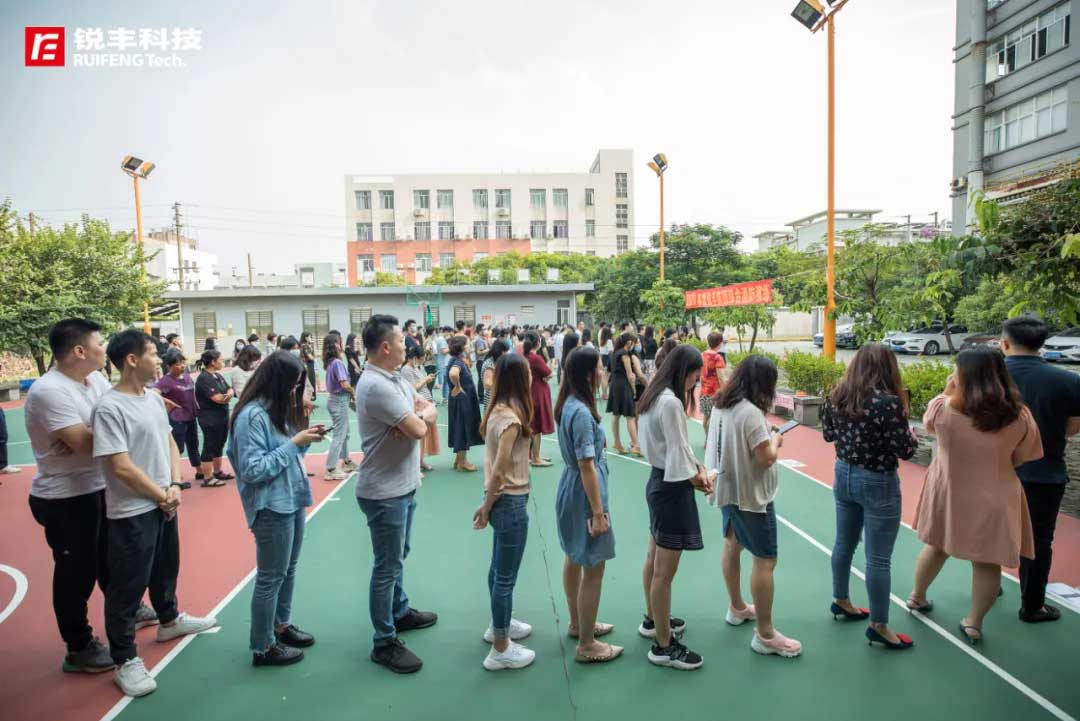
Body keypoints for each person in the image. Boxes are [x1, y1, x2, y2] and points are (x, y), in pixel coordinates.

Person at [94, 329, 217, 697]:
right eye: (152, 354)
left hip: (165, 500)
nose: (160, 360)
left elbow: (168, 442)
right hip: (133, 510)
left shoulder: (151, 398)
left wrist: (175, 485)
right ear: (132, 360)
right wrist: (161, 494)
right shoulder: (109, 407)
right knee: (127, 587)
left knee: (166, 567)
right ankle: (124, 659)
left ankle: (169, 620)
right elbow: (120, 467)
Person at [26, 319, 152, 673]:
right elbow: (87, 442)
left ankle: (125, 609)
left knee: (113, 559)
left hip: (99, 486)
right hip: (65, 498)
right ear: (80, 351)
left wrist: (104, 432)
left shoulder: (95, 379)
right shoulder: (49, 391)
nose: (104, 348)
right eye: (100, 343)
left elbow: (112, 421)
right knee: (76, 573)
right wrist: (109, 432)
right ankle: (78, 645)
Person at [909, 346, 1043, 644]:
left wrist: (948, 390)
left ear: (963, 375)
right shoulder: (1019, 415)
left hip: (949, 490)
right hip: (996, 494)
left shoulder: (943, 408)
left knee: (937, 546)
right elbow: (1023, 456)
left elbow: (929, 426)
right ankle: (974, 622)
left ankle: (917, 596)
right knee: (987, 561)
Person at [228, 350, 324, 667]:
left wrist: (303, 440)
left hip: (291, 499)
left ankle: (281, 626)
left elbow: (288, 454)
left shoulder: (274, 411)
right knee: (271, 577)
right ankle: (263, 646)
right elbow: (253, 469)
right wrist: (294, 443)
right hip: (271, 506)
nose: (295, 391)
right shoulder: (252, 416)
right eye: (293, 384)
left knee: (287, 570)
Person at [354, 315, 439, 674]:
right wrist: (417, 420)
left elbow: (424, 407)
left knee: (397, 557)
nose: (408, 345)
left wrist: (420, 417)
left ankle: (399, 611)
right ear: (386, 347)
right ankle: (384, 641)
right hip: (384, 492)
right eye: (403, 341)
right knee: (387, 565)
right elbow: (418, 427)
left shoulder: (394, 378)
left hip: (401, 485)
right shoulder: (376, 385)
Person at [820, 344, 918, 649]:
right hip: (878, 481)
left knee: (843, 543)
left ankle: (841, 599)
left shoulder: (837, 394)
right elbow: (905, 450)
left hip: (843, 474)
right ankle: (879, 625)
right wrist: (911, 436)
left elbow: (828, 434)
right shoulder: (888, 402)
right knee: (878, 558)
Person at [708, 353, 802, 658]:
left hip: (729, 488)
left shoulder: (722, 404)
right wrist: (776, 441)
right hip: (751, 496)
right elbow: (765, 458)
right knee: (765, 560)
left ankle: (737, 607)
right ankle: (765, 634)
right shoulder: (750, 412)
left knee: (732, 543)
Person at [1002, 317, 1080, 624]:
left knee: (991, 529)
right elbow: (1071, 428)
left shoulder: (988, 376)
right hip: (1045, 473)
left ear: (1005, 343)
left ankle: (988, 584)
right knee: (1038, 539)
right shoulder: (1068, 380)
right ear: (1041, 344)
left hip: (995, 471)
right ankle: (1032, 606)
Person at [637, 344, 710, 670]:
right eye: (695, 375)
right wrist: (700, 479)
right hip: (672, 489)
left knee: (653, 561)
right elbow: (679, 453)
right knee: (664, 573)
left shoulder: (655, 395)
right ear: (684, 371)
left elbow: (676, 448)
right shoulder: (670, 403)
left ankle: (654, 620)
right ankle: (664, 645)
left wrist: (697, 469)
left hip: (658, 482)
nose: (696, 382)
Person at [554, 346, 622, 664]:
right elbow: (586, 465)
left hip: (570, 488)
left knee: (573, 556)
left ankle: (577, 623)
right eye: (599, 367)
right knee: (594, 566)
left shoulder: (568, 403)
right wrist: (598, 511)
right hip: (585, 493)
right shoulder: (581, 412)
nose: (602, 372)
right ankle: (587, 644)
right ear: (587, 374)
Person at [472, 353, 537, 670]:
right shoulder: (511, 420)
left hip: (500, 500)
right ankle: (500, 648)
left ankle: (499, 625)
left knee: (498, 570)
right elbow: (499, 470)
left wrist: (488, 502)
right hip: (509, 500)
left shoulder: (495, 411)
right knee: (505, 578)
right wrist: (486, 507)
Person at [155, 350, 201, 488]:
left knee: (193, 444)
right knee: (177, 448)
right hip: (177, 418)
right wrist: (168, 402)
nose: (182, 366)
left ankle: (199, 471)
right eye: (178, 364)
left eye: (183, 362)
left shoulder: (187, 376)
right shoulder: (166, 381)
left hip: (191, 416)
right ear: (169, 366)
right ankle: (172, 478)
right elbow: (153, 393)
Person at [195, 349, 234, 487]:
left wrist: (229, 394)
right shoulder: (204, 378)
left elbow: (230, 389)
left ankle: (217, 472)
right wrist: (227, 396)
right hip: (210, 418)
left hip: (221, 416)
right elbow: (217, 398)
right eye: (221, 360)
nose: (222, 362)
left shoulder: (217, 375)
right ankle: (207, 477)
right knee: (210, 445)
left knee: (219, 443)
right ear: (212, 362)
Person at [321, 335, 357, 482]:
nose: (340, 344)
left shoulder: (331, 362)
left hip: (337, 400)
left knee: (345, 433)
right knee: (339, 435)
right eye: (338, 342)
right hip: (339, 400)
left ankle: (346, 461)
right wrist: (353, 392)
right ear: (334, 345)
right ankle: (331, 469)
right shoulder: (337, 363)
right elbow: (344, 383)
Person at [607, 332, 648, 456]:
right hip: (623, 385)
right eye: (633, 342)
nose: (634, 344)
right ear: (628, 342)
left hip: (614, 385)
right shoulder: (625, 355)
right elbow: (630, 375)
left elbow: (608, 372)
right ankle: (636, 446)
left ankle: (617, 442)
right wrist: (634, 390)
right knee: (630, 416)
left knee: (616, 414)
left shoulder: (613, 353)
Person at [400, 344, 439, 472]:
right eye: (422, 359)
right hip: (418, 405)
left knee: (424, 436)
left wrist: (427, 380)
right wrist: (425, 380)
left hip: (425, 402)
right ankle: (415, 464)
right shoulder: (406, 370)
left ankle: (420, 461)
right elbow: (412, 389)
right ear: (415, 358)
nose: (423, 361)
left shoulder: (415, 368)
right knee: (419, 436)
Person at [447, 336, 484, 472]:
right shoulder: (458, 362)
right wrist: (458, 386)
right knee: (462, 427)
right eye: (468, 344)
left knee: (459, 427)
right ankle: (463, 462)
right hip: (462, 400)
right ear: (462, 347)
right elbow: (453, 374)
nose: (470, 346)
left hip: (461, 399)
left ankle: (458, 459)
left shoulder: (457, 360)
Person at [522, 331, 555, 467]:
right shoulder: (536, 358)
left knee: (531, 425)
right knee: (537, 426)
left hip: (527, 391)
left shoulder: (523, 356)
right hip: (538, 392)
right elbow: (549, 373)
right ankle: (536, 457)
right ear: (537, 343)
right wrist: (550, 366)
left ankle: (531, 455)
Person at [700, 332, 726, 439]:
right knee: (714, 417)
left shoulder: (702, 355)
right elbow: (721, 377)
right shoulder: (717, 357)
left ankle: (707, 439)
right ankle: (711, 441)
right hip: (715, 392)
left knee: (706, 417)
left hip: (703, 390)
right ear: (719, 343)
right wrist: (725, 390)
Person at [481, 339, 509, 407]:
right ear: (500, 351)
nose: (507, 353)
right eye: (505, 351)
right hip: (493, 398)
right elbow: (487, 384)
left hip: (500, 397)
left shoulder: (498, 361)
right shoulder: (489, 364)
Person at [435, 327, 451, 405]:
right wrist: (451, 347)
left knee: (445, 382)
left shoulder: (440, 339)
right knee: (446, 382)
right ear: (446, 331)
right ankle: (446, 398)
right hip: (444, 363)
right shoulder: (441, 340)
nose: (449, 334)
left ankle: (445, 398)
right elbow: (444, 351)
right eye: (449, 332)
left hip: (443, 362)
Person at [299, 332, 317, 400]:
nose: (311, 338)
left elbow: (314, 355)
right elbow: (311, 357)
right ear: (306, 338)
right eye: (310, 337)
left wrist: (313, 345)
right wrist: (314, 357)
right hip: (307, 364)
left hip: (310, 364)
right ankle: (310, 396)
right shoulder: (305, 346)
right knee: (310, 380)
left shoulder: (308, 345)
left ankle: (311, 396)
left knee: (311, 379)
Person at [598, 326, 614, 401]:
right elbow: (611, 352)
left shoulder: (602, 341)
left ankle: (604, 394)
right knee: (606, 378)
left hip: (602, 359)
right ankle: (605, 395)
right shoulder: (609, 341)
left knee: (603, 378)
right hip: (608, 360)